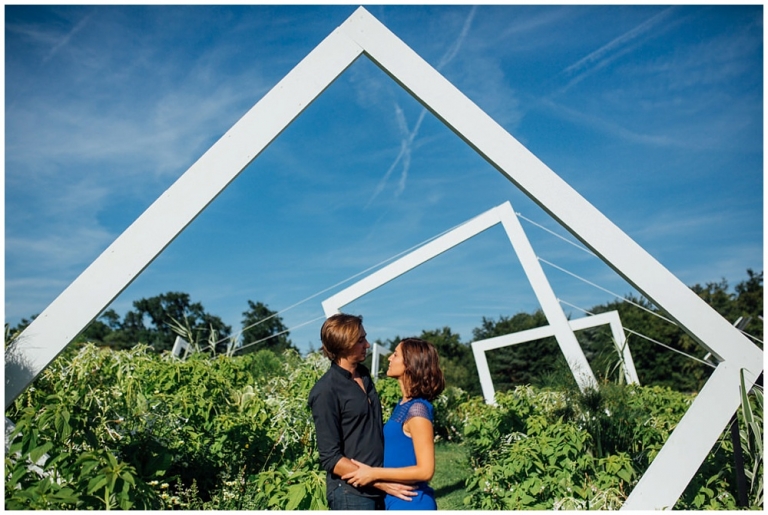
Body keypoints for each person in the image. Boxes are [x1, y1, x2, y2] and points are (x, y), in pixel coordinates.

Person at [308, 314, 416, 510]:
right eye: (360, 341)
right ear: (344, 345)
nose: (367, 345)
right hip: (351, 493)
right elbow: (331, 458)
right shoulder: (326, 391)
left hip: (378, 487)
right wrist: (380, 482)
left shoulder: (364, 375)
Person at [342, 337, 446, 510]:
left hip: (413, 501)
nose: (389, 358)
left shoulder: (417, 409)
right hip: (395, 500)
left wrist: (373, 473)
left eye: (395, 355)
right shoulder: (403, 404)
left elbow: (426, 471)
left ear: (410, 364)